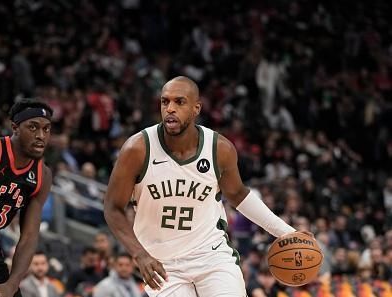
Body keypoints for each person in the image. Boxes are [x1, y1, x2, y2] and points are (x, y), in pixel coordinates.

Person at [104, 76, 298, 297]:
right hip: (162, 262)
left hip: (211, 255)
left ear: (196, 108)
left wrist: (286, 233)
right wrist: (139, 254)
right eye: (165, 102)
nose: (170, 108)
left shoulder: (219, 149)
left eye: (179, 102)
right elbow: (112, 207)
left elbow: (238, 195)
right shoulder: (137, 149)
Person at [0, 99, 53, 297]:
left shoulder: (42, 175)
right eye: (33, 127)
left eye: (46, 129)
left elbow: (29, 237)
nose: (40, 136)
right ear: (15, 127)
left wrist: (12, 284)